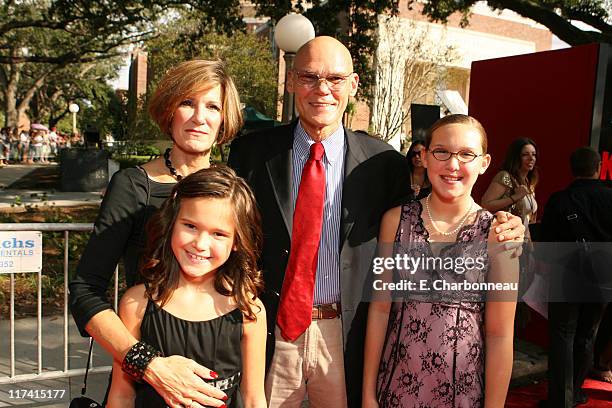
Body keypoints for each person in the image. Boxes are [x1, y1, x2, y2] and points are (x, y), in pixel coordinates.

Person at [228, 36, 526, 407]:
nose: (323, 89)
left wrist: (506, 225)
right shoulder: (251, 154)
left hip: (346, 333)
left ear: (353, 85)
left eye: (336, 78)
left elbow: (423, 226)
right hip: (270, 331)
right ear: (291, 81)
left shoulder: (382, 162)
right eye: (309, 77)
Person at [69, 59, 243, 408]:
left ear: (225, 118)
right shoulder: (134, 187)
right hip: (145, 377)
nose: (199, 117)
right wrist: (149, 364)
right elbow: (85, 290)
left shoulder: (234, 191)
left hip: (220, 373)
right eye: (187, 103)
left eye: (212, 106)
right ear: (170, 109)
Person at [363, 114, 519, 408]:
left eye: (466, 154)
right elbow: (381, 310)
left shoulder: (499, 234)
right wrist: (369, 395)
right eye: (442, 152)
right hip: (395, 391)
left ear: (484, 163)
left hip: (464, 396)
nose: (453, 164)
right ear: (423, 157)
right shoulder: (396, 221)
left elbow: (500, 335)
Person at [106, 166, 267, 408]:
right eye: (190, 226)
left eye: (219, 234)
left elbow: (254, 399)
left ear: (237, 241)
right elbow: (121, 395)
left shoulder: (249, 311)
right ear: (171, 224)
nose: (201, 244)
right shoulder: (136, 304)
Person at [540, 146, 612, 407]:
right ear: (597, 169)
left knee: (562, 335)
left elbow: (545, 241)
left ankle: (561, 399)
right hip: (603, 276)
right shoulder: (610, 198)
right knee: (586, 335)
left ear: (572, 170)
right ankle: (577, 391)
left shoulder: (561, 200)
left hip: (566, 274)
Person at [482, 137, 539, 239]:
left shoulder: (528, 182)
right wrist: (515, 197)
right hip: (506, 239)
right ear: (516, 157)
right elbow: (486, 204)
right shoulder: (505, 176)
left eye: (533, 154)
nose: (531, 158)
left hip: (523, 241)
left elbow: (527, 220)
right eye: (525, 155)